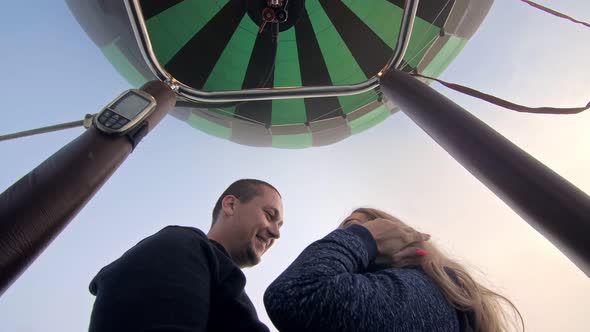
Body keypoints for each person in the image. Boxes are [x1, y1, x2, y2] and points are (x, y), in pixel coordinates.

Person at [264, 207, 524, 332]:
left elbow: (296, 294)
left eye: (358, 227)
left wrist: (362, 238)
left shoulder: (423, 292)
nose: (341, 238)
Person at [88, 179, 284, 331]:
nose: (276, 233)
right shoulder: (180, 245)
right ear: (231, 205)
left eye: (279, 225)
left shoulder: (221, 281)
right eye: (269, 215)